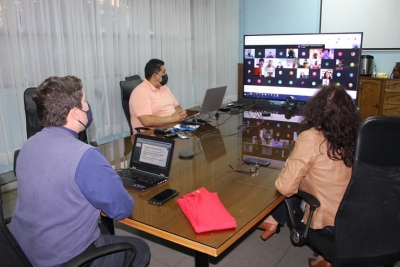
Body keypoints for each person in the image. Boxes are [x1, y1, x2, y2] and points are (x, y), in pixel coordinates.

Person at [11, 76, 150, 267]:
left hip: (23, 251)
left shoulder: (27, 146)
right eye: (85, 102)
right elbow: (121, 210)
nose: (88, 107)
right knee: (140, 248)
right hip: (62, 259)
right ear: (76, 113)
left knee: (102, 231)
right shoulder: (85, 156)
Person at [258, 85, 359, 267]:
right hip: (356, 216)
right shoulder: (356, 136)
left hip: (328, 223)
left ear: (316, 109)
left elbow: (285, 187)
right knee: (310, 183)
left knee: (292, 187)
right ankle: (323, 258)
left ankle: (272, 220)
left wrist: (291, 162)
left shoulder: (311, 137)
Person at [129, 58, 187, 131]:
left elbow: (176, 106)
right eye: (163, 72)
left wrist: (180, 114)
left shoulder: (164, 87)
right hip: (152, 134)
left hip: (171, 128)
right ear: (155, 76)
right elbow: (146, 121)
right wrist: (173, 118)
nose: (165, 75)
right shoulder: (140, 92)